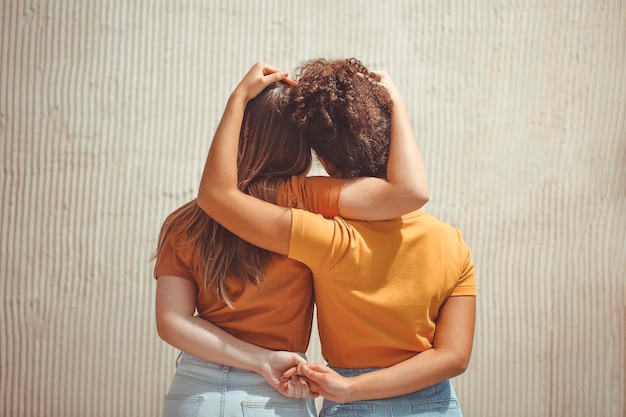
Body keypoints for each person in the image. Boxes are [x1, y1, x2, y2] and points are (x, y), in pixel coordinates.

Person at [198, 59, 476, 417]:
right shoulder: (453, 244)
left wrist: (239, 98)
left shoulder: (325, 237)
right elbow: (454, 357)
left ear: (327, 165)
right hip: (437, 403)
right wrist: (396, 104)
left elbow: (217, 196)